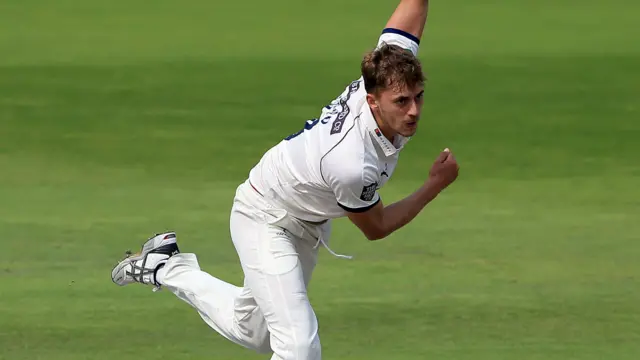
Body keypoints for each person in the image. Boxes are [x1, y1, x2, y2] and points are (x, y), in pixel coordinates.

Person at [110, 0, 459, 359]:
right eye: (402, 101)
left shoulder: (386, 73)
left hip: (305, 222)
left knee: (257, 333)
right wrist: (435, 184)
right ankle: (167, 267)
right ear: (372, 102)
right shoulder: (351, 163)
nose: (414, 110)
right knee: (298, 345)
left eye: (418, 97)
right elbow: (377, 226)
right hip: (265, 215)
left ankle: (166, 266)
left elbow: (408, 20)